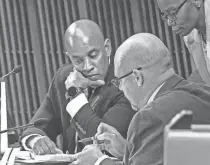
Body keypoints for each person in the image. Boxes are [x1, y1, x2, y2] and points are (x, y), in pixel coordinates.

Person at [70, 33, 210, 165]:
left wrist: (99, 161)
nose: (120, 88)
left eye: (120, 82)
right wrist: (127, 150)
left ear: (137, 77)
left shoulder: (149, 117)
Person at [21, 19, 135, 155]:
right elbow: (37, 126)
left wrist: (74, 95)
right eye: (78, 61)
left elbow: (101, 142)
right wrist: (35, 140)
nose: (87, 66)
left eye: (93, 56)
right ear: (69, 58)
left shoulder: (125, 83)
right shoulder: (64, 77)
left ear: (107, 48)